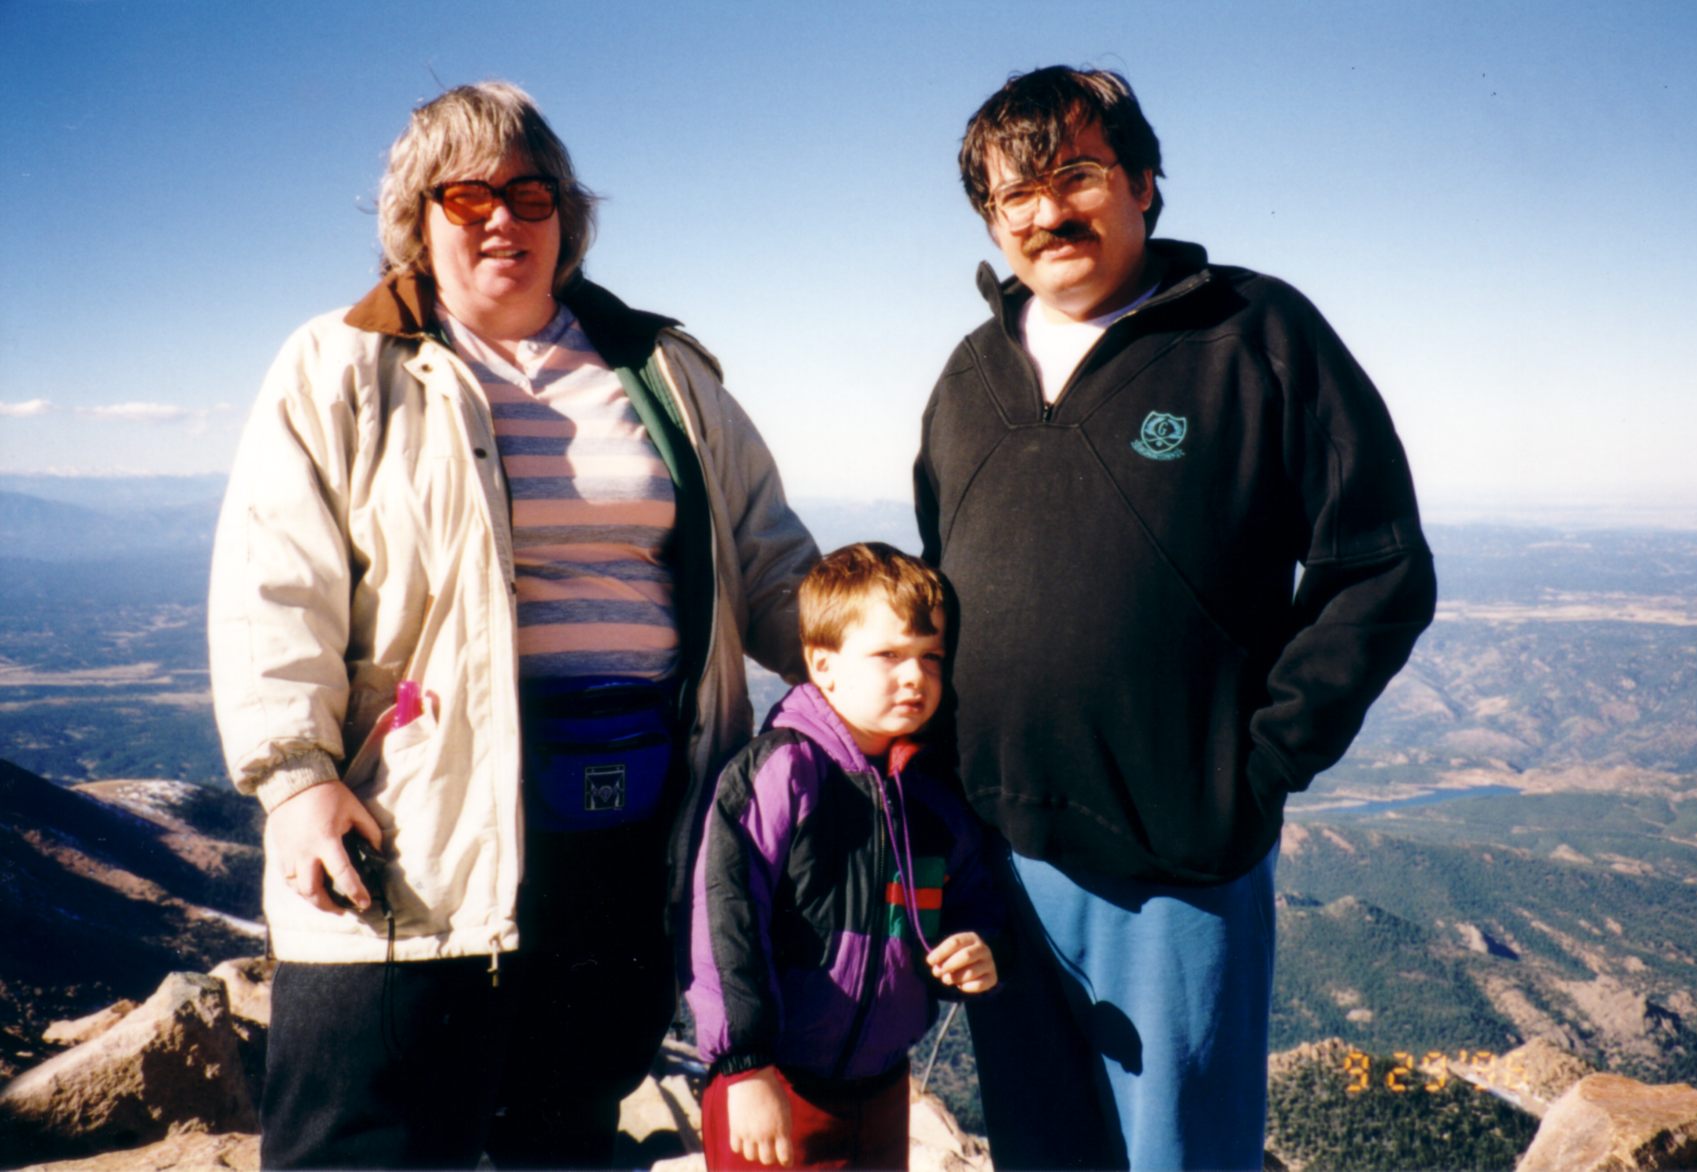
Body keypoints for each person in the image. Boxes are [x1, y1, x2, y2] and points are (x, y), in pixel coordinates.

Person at [208, 81, 817, 1169]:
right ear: (417, 216)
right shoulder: (343, 363)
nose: (504, 218)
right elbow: (274, 586)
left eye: (531, 195)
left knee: (564, 1125)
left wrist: (881, 668)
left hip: (628, 827)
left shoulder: (660, 370)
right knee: (365, 1140)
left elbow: (771, 561)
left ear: (566, 217)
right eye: (468, 195)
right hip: (414, 831)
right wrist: (293, 777)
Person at [914, 67, 1437, 1170]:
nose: (1047, 213)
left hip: (1178, 870)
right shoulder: (969, 375)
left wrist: (1260, 764)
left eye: (1076, 176)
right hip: (999, 865)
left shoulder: (1253, 333)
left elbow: (1378, 565)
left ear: (1143, 184)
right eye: (1015, 195)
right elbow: (934, 587)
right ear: (991, 221)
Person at [684, 543, 999, 1170]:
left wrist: (981, 946)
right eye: (890, 655)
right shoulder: (782, 772)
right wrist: (745, 1066)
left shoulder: (932, 797)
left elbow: (972, 899)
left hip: (882, 1087)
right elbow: (724, 923)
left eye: (931, 657)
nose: (916, 676)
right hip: (774, 1085)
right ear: (823, 665)